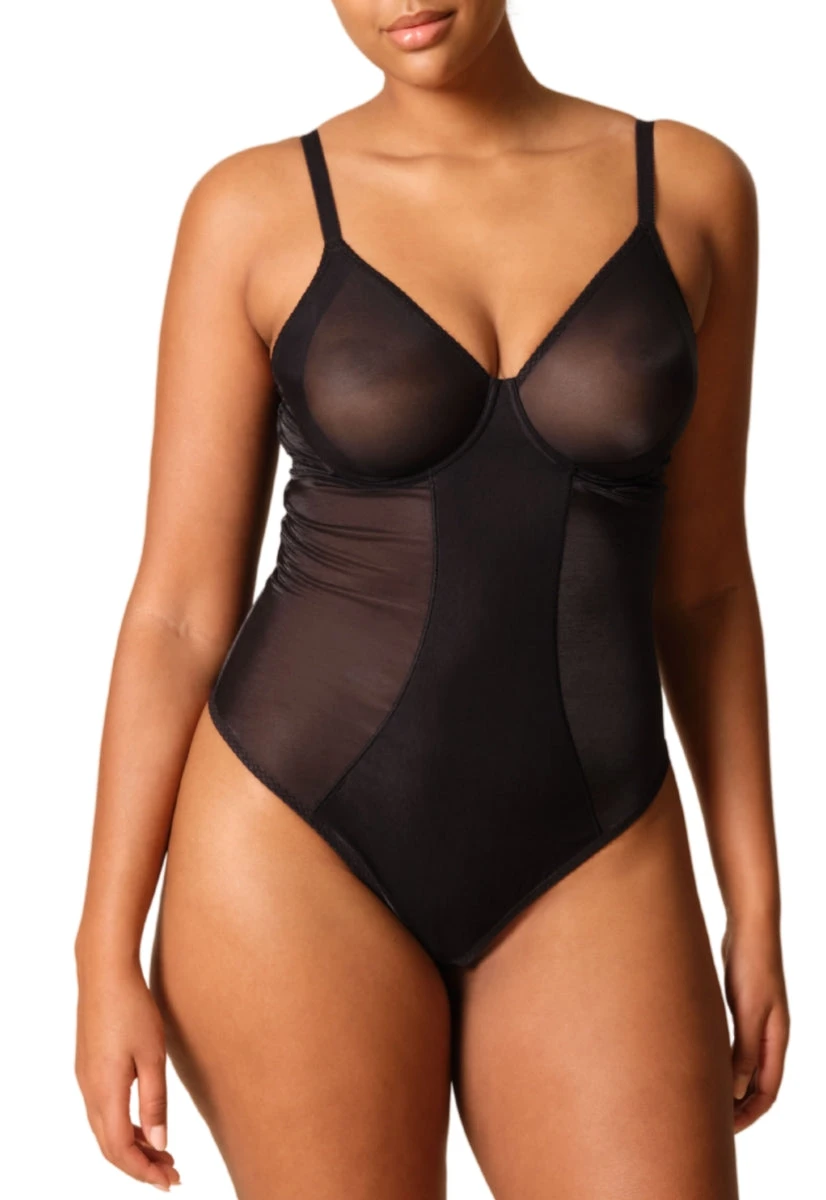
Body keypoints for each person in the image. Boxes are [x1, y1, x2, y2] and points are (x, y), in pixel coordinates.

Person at [74, 3, 789, 1196]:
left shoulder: (690, 190)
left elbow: (707, 586)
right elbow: (179, 613)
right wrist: (102, 948)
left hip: (596, 841)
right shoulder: (254, 210)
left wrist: (754, 906)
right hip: (292, 842)